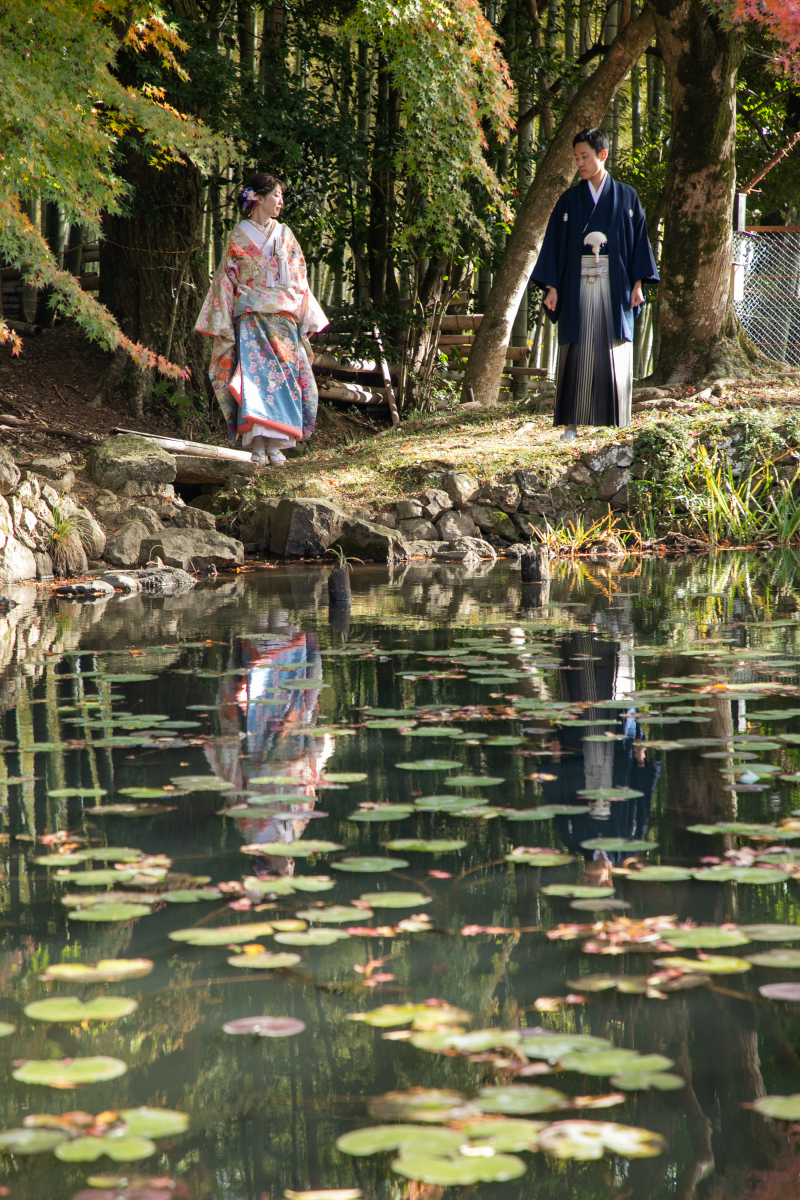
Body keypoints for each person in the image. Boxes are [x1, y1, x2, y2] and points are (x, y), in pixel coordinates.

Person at [531, 128, 658, 441]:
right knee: (577, 349)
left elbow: (638, 243)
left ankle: (616, 423)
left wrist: (638, 283)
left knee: (614, 348)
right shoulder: (570, 200)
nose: (580, 163)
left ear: (602, 155)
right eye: (576, 157)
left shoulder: (627, 197)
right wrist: (552, 287)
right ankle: (572, 424)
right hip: (577, 285)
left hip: (616, 286)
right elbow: (555, 246)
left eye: (584, 156)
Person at [194, 172, 327, 465]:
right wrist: (226, 317)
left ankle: (277, 444)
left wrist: (304, 314)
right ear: (258, 198)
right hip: (252, 319)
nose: (280, 202)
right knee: (256, 379)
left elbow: (299, 277)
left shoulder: (286, 235)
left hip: (283, 319)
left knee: (283, 379)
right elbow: (226, 280)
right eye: (276, 195)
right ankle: (256, 444)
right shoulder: (238, 236)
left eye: (281, 196)